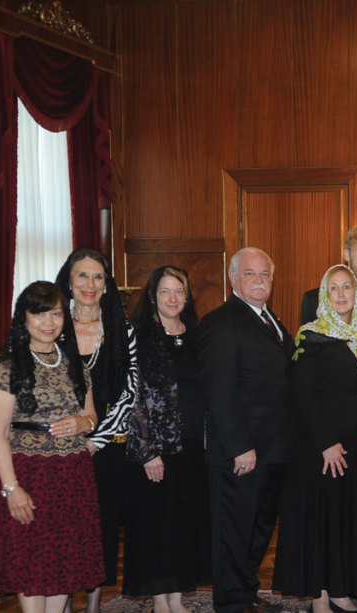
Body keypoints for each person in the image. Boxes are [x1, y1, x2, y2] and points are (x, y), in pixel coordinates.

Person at [273, 265, 357, 613]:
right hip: (322, 450)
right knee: (323, 523)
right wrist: (325, 442)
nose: (341, 294)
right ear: (324, 294)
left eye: (346, 288)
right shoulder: (311, 336)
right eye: (333, 288)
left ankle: (341, 590)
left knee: (347, 522)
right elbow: (302, 396)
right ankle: (320, 596)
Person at [0, 281, 104, 613]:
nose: (48, 322)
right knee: (30, 565)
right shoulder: (9, 368)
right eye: (39, 314)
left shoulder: (75, 364)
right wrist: (12, 489)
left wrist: (84, 424)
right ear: (23, 318)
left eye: (55, 313)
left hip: (71, 477)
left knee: (64, 566)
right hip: (28, 476)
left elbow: (92, 415)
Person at [196, 247, 294, 613]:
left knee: (259, 528)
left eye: (265, 274)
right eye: (250, 274)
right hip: (241, 452)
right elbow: (219, 392)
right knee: (234, 531)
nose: (259, 281)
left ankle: (247, 591)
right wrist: (240, 446)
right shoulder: (220, 323)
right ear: (232, 278)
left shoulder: (270, 320)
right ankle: (232, 602)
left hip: (273, 449)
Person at [54, 248, 138, 613]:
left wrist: (96, 440)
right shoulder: (51, 326)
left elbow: (131, 392)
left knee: (100, 528)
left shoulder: (124, 331)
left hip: (107, 451)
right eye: (82, 276)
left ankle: (93, 603)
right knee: (62, 528)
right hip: (56, 447)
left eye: (98, 276)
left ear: (107, 285)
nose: (90, 284)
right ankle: (62, 601)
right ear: (69, 283)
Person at [122, 266, 204, 612]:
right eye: (165, 292)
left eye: (179, 291)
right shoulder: (139, 335)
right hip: (156, 449)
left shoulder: (198, 334)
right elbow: (133, 396)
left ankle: (176, 597)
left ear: (187, 296)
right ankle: (160, 600)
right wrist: (148, 451)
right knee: (156, 525)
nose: (173, 298)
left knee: (183, 523)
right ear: (153, 297)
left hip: (192, 447)